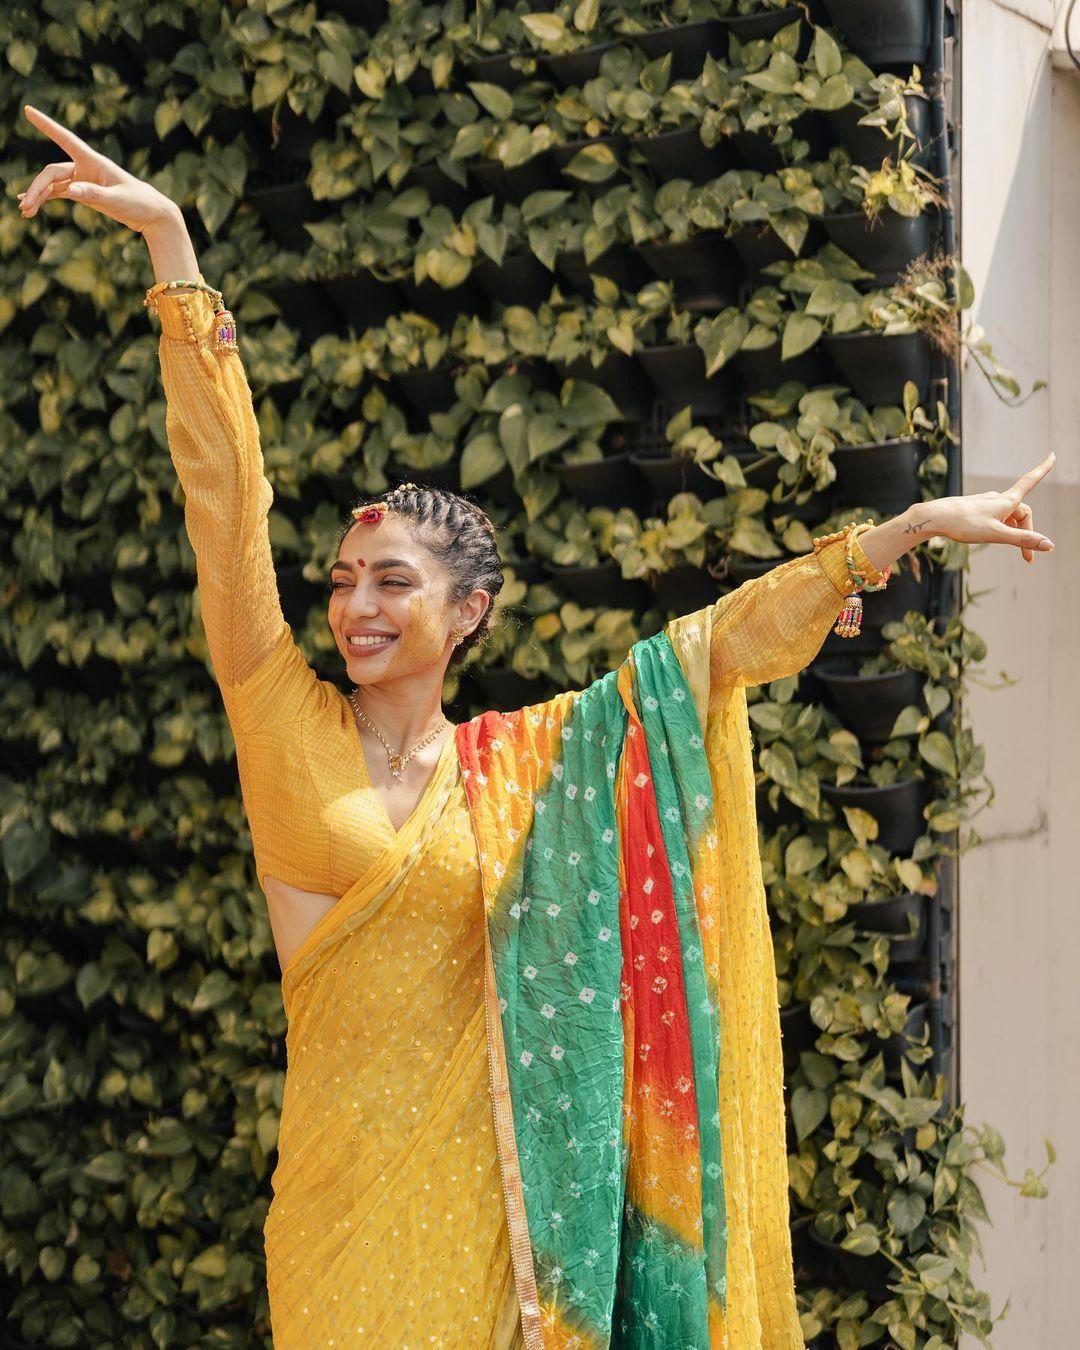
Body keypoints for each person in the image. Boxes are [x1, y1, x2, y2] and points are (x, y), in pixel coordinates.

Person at [17, 104, 1056, 1349]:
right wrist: (176, 259)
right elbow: (226, 509)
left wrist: (904, 531)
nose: (354, 606)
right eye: (346, 580)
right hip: (342, 1223)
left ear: (468, 614)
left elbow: (708, 656)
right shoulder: (275, 707)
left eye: (392, 583)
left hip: (502, 1243)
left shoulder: (524, 768)